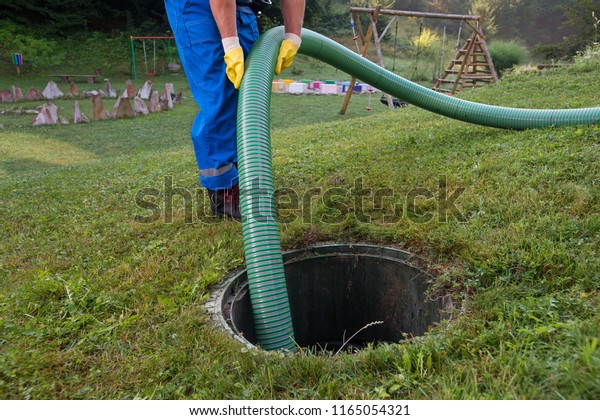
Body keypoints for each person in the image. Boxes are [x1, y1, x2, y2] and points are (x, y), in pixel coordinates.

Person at [164, 0, 305, 220]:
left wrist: (293, 36)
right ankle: (223, 191)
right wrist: (230, 44)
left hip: (242, 7)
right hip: (196, 8)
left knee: (247, 93)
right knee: (219, 94)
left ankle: (244, 177)